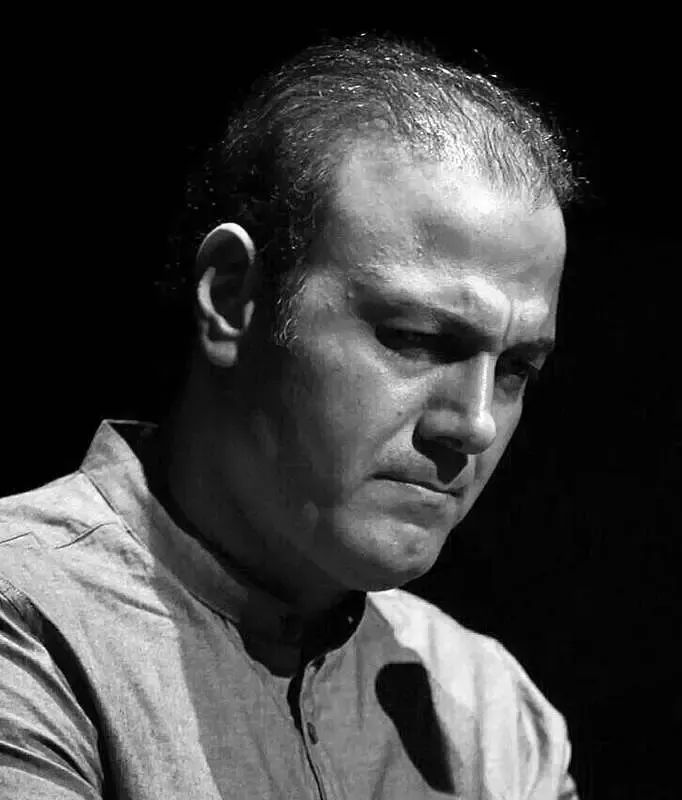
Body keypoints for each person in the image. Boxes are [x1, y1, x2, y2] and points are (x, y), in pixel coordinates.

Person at [0, 32, 580, 799]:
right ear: (232, 298)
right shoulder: (27, 613)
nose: (475, 424)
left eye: (516, 371)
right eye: (415, 338)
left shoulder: (495, 715)